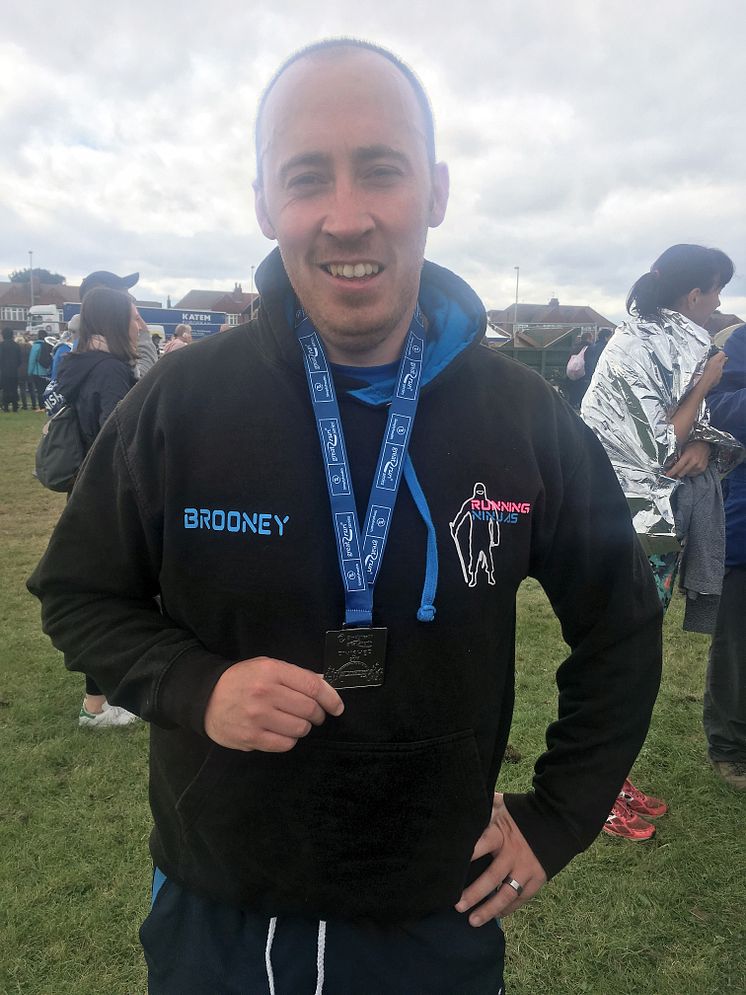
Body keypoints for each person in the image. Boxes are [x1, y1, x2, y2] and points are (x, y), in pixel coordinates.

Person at [29, 40, 663, 993]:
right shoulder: (180, 401)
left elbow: (619, 624)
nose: (345, 215)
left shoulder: (523, 419)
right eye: (305, 177)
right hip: (218, 908)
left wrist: (559, 814)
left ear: (437, 191)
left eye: (382, 170)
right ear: (262, 202)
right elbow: (77, 593)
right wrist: (194, 684)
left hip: (432, 918)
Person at [582, 244, 743, 838]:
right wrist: (704, 385)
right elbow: (655, 443)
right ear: (693, 294)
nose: (721, 303)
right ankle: (595, 793)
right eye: (717, 290)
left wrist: (700, 441)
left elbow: (680, 439)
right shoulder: (642, 343)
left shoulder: (658, 337)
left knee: (634, 659)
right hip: (621, 525)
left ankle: (610, 779)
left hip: (649, 522)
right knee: (614, 661)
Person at [55, 287, 141, 728]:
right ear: (113, 320)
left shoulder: (78, 364)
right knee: (114, 597)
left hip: (85, 494)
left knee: (103, 592)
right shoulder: (109, 371)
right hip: (109, 499)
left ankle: (99, 699)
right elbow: (120, 439)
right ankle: (97, 704)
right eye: (133, 314)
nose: (140, 323)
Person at [705, 322, 746, 789]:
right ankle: (730, 748)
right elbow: (716, 408)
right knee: (737, 644)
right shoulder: (740, 344)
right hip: (744, 525)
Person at [27, 329, 52, 402]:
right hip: (48, 371)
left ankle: (41, 406)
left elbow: (32, 360)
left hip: (38, 371)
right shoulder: (49, 345)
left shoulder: (36, 345)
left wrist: (29, 372)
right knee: (46, 389)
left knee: (39, 390)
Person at [0, 327, 21, 412]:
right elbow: (19, 359)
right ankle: (15, 406)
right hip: (14, 371)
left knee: (5, 389)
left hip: (3, 371)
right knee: (14, 388)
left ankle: (5, 407)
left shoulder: (1, 346)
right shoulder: (16, 345)